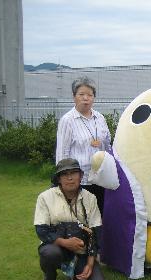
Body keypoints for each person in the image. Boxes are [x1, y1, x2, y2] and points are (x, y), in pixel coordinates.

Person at [34, 158, 106, 280]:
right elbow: (41, 230)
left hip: (82, 250)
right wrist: (66, 243)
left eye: (74, 173)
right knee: (50, 253)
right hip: (56, 246)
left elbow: (96, 232)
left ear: (81, 176)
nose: (70, 178)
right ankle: (50, 278)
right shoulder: (45, 197)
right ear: (58, 179)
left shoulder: (91, 198)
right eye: (64, 174)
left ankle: (77, 267)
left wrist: (90, 263)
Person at [56, 76, 111, 214]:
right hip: (80, 181)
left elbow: (108, 145)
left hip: (100, 179)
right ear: (74, 96)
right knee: (82, 217)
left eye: (90, 95)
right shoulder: (68, 120)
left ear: (94, 97)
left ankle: (100, 236)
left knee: (100, 216)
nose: (86, 98)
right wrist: (63, 181)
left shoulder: (100, 118)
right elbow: (62, 154)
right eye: (81, 94)